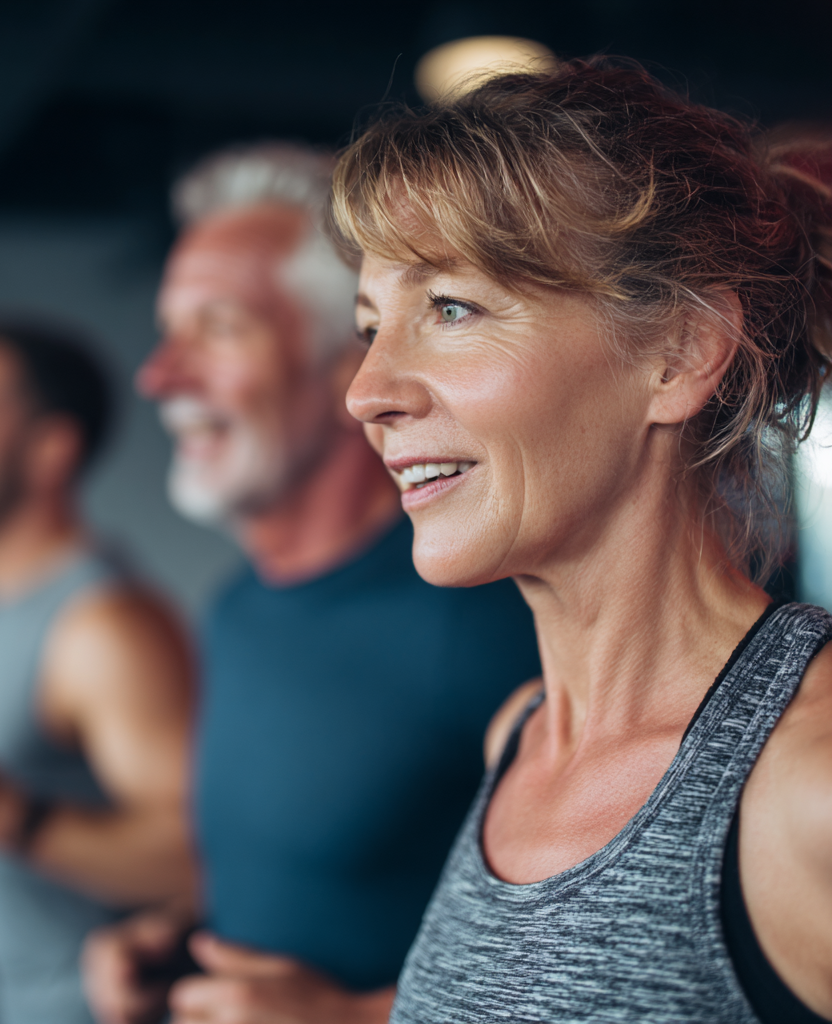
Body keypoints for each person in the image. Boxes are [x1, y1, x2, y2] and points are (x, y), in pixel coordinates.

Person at [331, 59, 832, 1022]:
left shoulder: (803, 781)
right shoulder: (520, 735)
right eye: (369, 327)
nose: (366, 392)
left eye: (450, 309)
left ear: (677, 354)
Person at [81, 144, 541, 1024]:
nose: (159, 374)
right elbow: (324, 878)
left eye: (216, 327)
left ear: (346, 362)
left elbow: (612, 960)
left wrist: (356, 1016)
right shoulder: (235, 611)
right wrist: (181, 936)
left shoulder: (489, 622)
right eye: (169, 331)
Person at [0, 317, 197, 1024]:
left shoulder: (104, 623)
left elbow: (200, 855)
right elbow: (32, 804)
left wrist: (0, 819)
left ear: (51, 448)